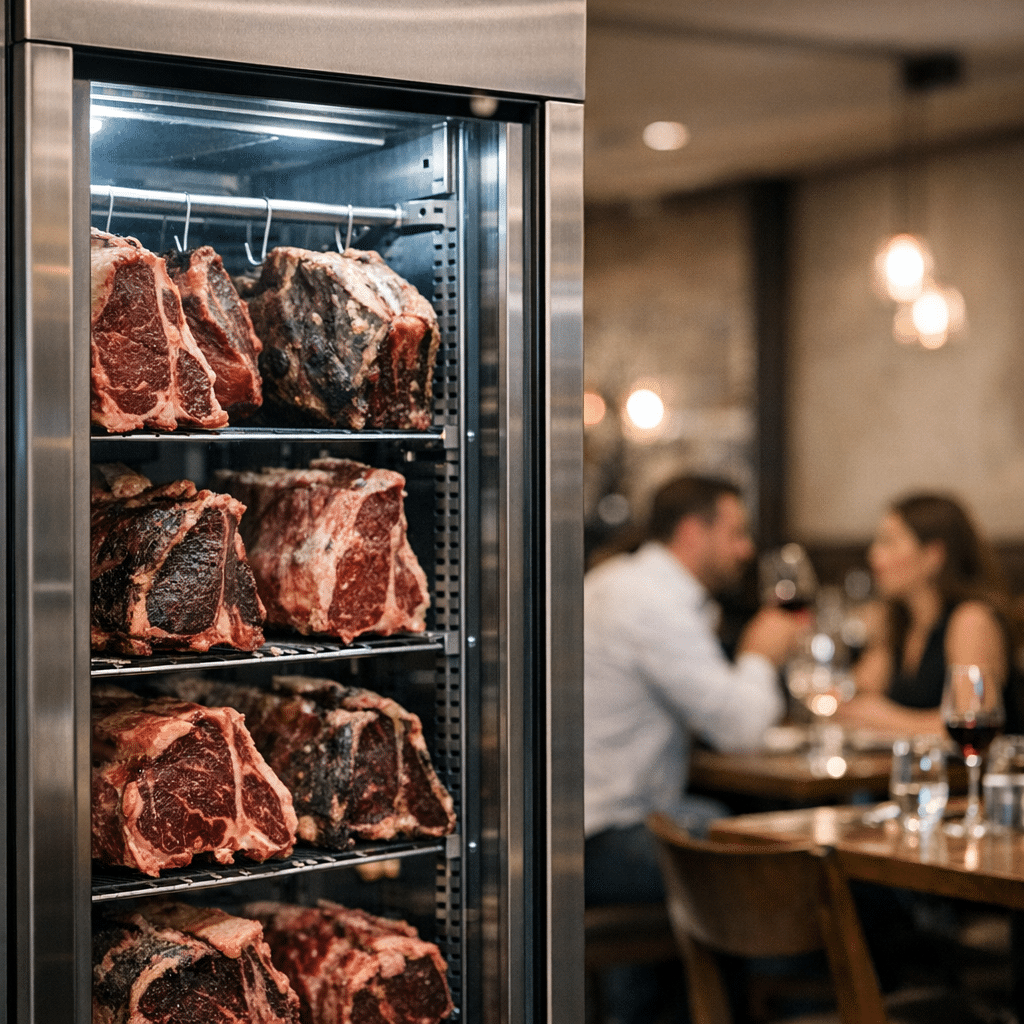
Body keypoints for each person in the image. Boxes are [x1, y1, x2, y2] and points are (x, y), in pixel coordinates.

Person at [584, 474, 808, 1024]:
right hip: (597, 842)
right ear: (692, 532)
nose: (746, 549)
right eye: (735, 533)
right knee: (757, 856)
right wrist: (761, 655)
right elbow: (739, 729)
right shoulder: (650, 604)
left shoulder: (621, 582)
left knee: (718, 823)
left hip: (589, 820)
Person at [835, 491, 1023, 737]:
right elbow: (856, 695)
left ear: (933, 555)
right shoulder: (902, 621)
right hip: (915, 773)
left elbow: (972, 723)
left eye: (888, 542)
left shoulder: (971, 620)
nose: (874, 555)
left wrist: (884, 719)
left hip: (974, 774)